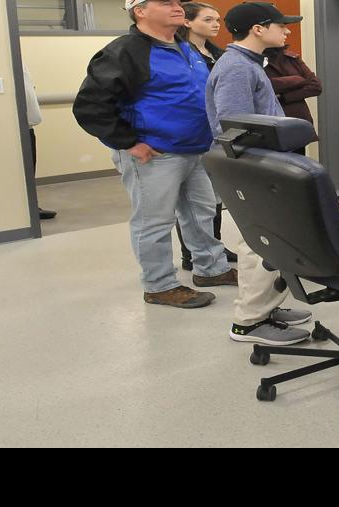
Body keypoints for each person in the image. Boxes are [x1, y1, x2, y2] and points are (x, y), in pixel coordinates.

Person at [73, 0, 236, 309]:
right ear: (141, 11)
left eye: (178, 2)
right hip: (154, 154)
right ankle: (159, 285)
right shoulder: (125, 51)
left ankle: (211, 269)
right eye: (167, 2)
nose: (177, 6)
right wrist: (129, 142)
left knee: (202, 213)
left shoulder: (187, 47)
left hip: (195, 149)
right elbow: (90, 106)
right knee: (154, 222)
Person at [207, 2, 314, 345]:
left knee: (271, 242)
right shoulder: (238, 68)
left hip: (261, 166)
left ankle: (266, 307)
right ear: (258, 29)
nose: (287, 31)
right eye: (281, 25)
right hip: (251, 170)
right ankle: (249, 322)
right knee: (258, 244)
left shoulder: (250, 64)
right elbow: (235, 127)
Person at [174, 2, 236, 273]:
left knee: (213, 199)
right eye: (208, 19)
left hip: (215, 134)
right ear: (187, 22)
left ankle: (215, 246)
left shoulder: (216, 54)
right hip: (190, 135)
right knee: (191, 202)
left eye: (218, 19)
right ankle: (191, 254)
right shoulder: (179, 53)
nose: (216, 24)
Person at [22, 66, 55, 221]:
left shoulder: (22, 63)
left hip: (28, 126)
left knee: (30, 169)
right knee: (25, 171)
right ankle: (27, 208)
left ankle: (32, 205)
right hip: (20, 129)